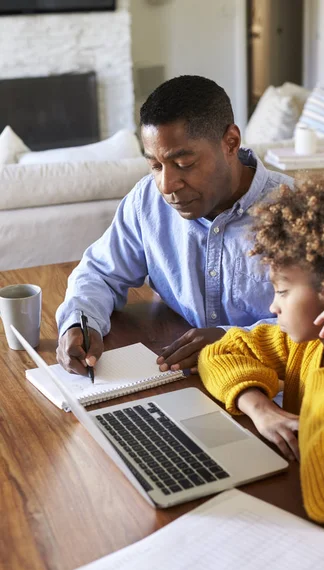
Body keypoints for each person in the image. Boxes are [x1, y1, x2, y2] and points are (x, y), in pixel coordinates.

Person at [198, 168, 324, 523]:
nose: (273, 307)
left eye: (284, 291)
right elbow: (219, 352)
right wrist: (260, 409)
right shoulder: (305, 346)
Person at [56, 75, 292, 376]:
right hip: (183, 377)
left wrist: (232, 338)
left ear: (230, 142)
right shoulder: (146, 201)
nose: (166, 185)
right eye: (155, 165)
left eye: (183, 164)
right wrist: (79, 322)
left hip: (277, 385)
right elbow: (99, 273)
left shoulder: (299, 213)